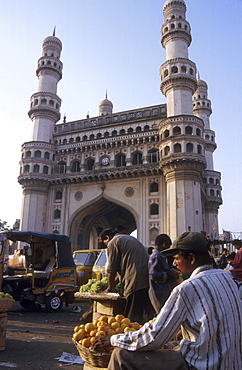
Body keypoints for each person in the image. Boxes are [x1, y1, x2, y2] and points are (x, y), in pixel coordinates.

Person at [93, 232, 242, 370]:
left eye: (177, 258)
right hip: (233, 363)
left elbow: (155, 336)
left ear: (191, 258)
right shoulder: (231, 279)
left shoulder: (187, 288)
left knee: (120, 356)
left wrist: (113, 339)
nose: (174, 264)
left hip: (200, 364)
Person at [99, 228, 155, 324]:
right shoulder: (126, 238)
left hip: (134, 280)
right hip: (145, 277)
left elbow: (111, 269)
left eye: (105, 242)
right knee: (149, 312)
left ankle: (133, 335)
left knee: (133, 315)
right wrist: (113, 285)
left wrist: (109, 288)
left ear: (107, 238)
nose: (106, 246)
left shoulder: (113, 242)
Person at [148, 234, 179, 314]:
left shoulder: (161, 256)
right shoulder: (156, 257)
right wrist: (168, 275)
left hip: (163, 291)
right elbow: (154, 274)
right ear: (164, 244)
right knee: (163, 314)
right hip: (159, 292)